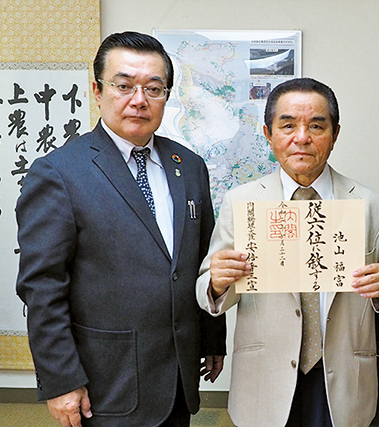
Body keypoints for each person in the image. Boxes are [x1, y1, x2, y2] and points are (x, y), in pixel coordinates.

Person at [16, 32, 226, 427]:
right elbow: (41, 288)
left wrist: (213, 339)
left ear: (167, 95)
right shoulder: (59, 173)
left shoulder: (190, 166)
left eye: (153, 88)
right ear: (97, 90)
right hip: (106, 382)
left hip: (179, 374)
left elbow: (202, 260)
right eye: (124, 85)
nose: (139, 99)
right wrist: (61, 381)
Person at [197, 77, 379, 427]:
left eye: (316, 125)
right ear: (268, 134)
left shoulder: (370, 203)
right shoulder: (241, 202)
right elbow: (207, 288)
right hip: (264, 378)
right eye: (287, 125)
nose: (302, 137)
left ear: (335, 133)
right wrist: (218, 283)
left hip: (342, 377)